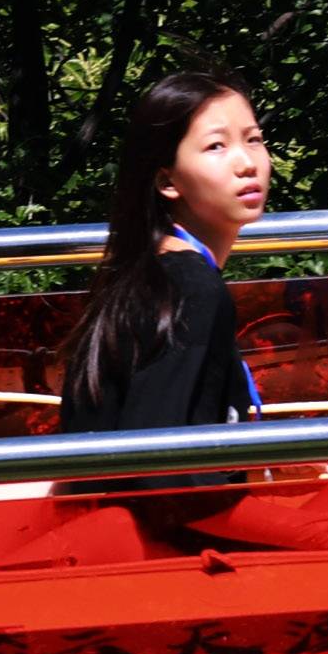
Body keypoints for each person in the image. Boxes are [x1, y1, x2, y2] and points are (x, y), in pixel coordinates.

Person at [54, 69, 271, 438]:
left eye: (254, 140)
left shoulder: (149, 272)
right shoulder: (191, 288)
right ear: (167, 182)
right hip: (151, 496)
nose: (247, 163)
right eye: (216, 146)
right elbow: (158, 461)